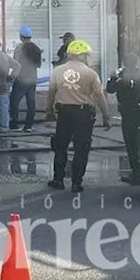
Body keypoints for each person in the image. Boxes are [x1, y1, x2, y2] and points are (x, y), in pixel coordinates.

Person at [45, 40, 112, 193]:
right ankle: (76, 183)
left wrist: (48, 111)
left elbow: (51, 93)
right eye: (87, 55)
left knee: (61, 146)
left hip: (64, 113)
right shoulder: (90, 73)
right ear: (82, 56)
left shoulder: (57, 71)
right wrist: (106, 116)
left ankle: (58, 180)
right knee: (81, 148)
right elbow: (99, 96)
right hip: (84, 114)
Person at [106, 52, 140, 185]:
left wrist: (112, 78)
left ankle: (136, 174)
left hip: (129, 113)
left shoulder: (124, 78)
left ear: (125, 64)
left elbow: (110, 89)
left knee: (131, 145)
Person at [10, 26, 43, 132]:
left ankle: (14, 124)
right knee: (31, 102)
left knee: (14, 101)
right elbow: (39, 65)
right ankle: (29, 125)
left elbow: (16, 63)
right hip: (33, 78)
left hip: (22, 78)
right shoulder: (36, 48)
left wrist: (12, 76)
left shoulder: (20, 48)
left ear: (21, 36)